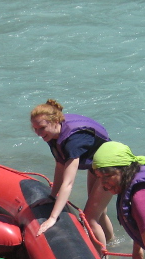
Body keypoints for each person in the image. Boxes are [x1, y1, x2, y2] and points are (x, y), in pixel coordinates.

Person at [30, 100, 113, 246]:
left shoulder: (73, 141)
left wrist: (52, 218)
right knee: (100, 212)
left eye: (41, 128)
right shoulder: (53, 134)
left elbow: (68, 183)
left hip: (110, 168)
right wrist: (51, 196)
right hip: (96, 164)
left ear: (55, 121)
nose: (38, 133)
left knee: (90, 217)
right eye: (35, 129)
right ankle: (112, 241)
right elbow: (60, 166)